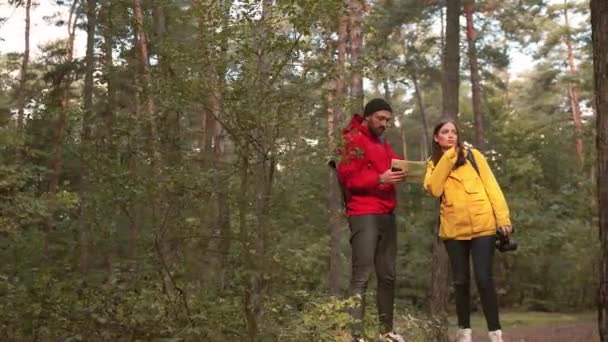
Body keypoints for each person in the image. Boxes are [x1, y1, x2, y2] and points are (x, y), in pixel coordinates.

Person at [423, 119, 513, 342]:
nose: (451, 135)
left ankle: (495, 334)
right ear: (437, 138)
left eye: (454, 132)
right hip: (454, 230)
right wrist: (447, 158)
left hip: (483, 225)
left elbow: (492, 186)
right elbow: (434, 189)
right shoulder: (433, 164)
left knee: (484, 278)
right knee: (460, 281)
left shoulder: (474, 156)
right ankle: (464, 333)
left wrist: (503, 217)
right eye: (445, 132)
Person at [336, 98, 407, 342]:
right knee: (362, 275)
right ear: (368, 116)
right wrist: (380, 179)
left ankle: (386, 332)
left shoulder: (382, 142)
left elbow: (393, 163)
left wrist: (406, 170)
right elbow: (349, 179)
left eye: (388, 120)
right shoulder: (352, 139)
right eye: (381, 118)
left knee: (387, 275)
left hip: (387, 214)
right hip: (363, 213)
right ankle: (354, 336)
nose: (385, 123)